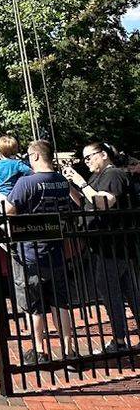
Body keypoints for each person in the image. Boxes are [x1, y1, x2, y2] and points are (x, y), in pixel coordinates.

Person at [62, 143, 140, 353]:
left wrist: (80, 182)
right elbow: (85, 204)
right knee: (129, 292)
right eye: (84, 159)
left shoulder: (113, 174)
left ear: (104, 154)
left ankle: (119, 340)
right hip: (103, 246)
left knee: (111, 291)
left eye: (89, 157)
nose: (86, 162)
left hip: (113, 246)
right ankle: (121, 338)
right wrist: (71, 185)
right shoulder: (96, 178)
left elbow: (104, 203)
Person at [4, 138, 75, 365]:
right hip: (56, 249)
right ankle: (69, 350)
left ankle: (40, 350)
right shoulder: (62, 181)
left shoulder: (27, 183)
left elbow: (10, 210)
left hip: (31, 251)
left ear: (35, 156)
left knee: (34, 305)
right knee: (60, 303)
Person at [0, 134, 32, 204]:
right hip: (16, 193)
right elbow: (30, 172)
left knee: (4, 211)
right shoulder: (18, 164)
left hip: (1, 194)